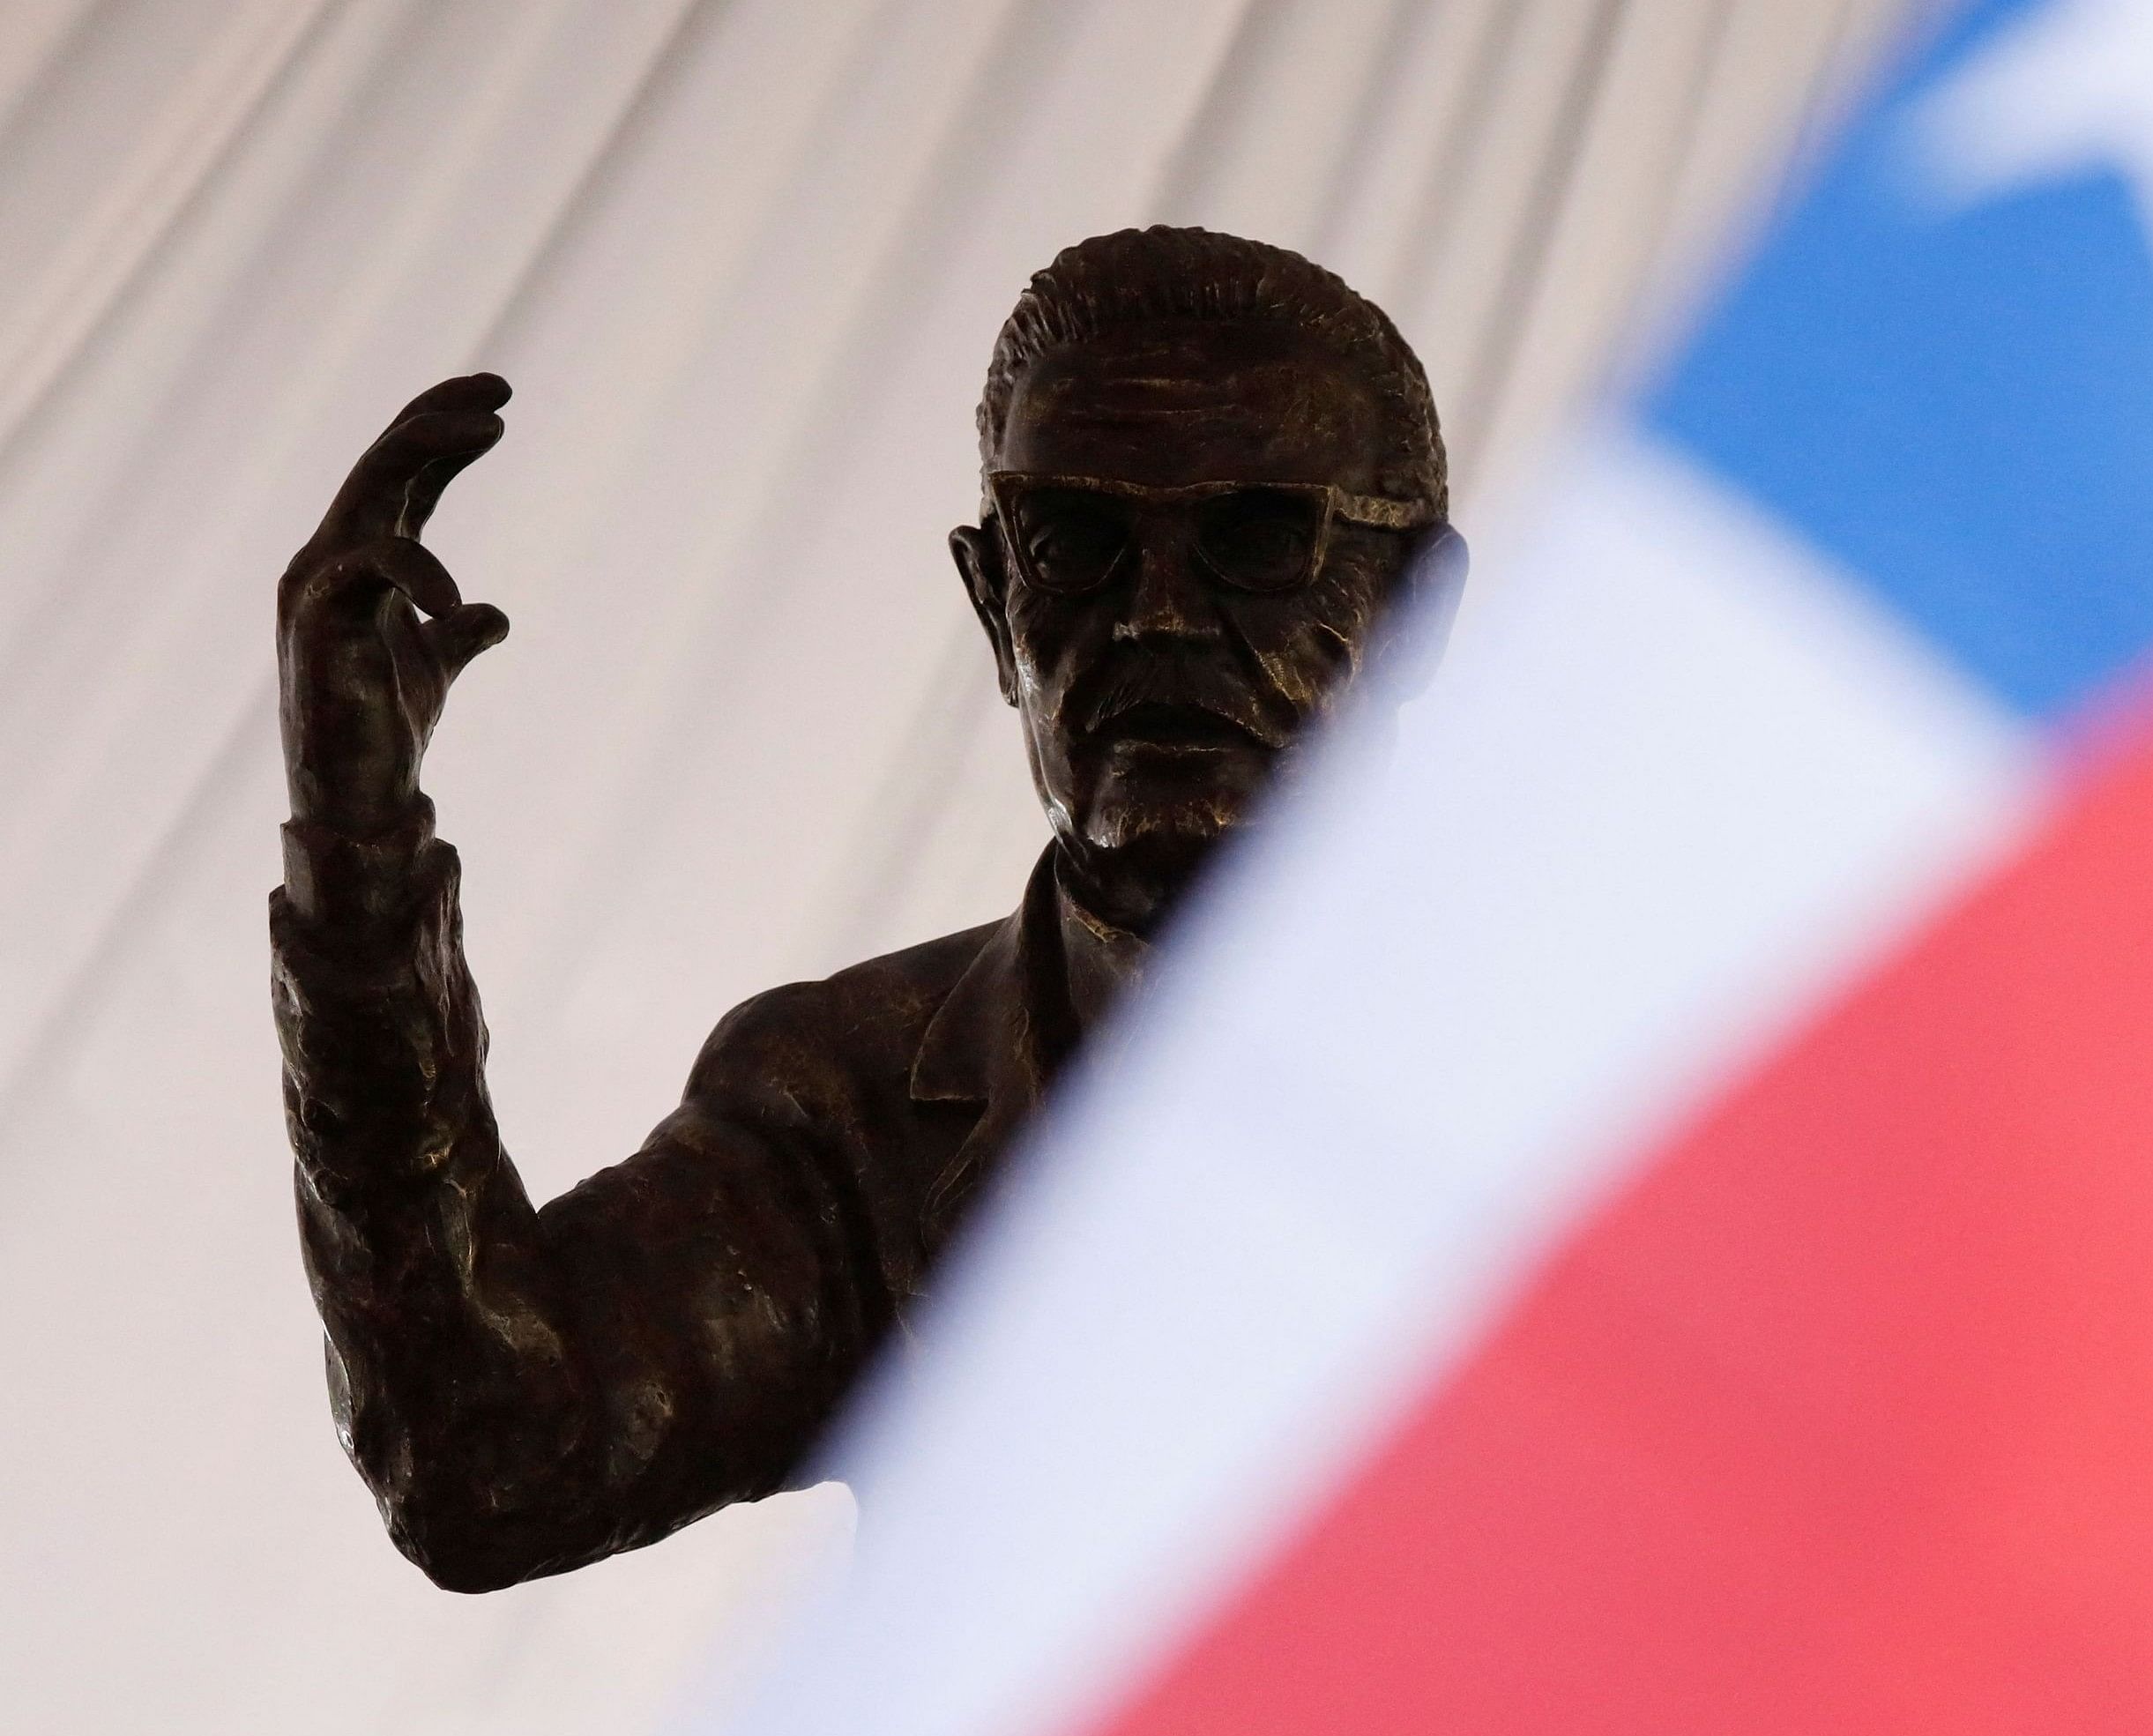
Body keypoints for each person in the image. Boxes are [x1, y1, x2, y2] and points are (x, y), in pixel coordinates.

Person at [269, 227, 1462, 1591]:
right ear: (993, 606)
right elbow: (499, 1468)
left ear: (1418, 604)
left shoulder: (1662, 1049)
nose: (1157, 618)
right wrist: (358, 871)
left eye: (1257, 540)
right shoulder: (849, 1100)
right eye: (1077, 546)